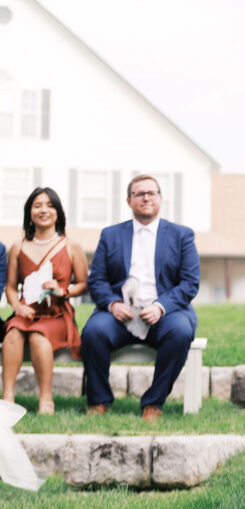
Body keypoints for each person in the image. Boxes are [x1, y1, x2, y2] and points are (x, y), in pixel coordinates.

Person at [81, 174, 200, 421]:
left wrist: (161, 306)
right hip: (120, 314)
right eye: (139, 193)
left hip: (164, 314)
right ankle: (99, 401)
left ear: (160, 198)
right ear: (129, 200)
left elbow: (190, 283)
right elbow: (97, 280)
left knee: (180, 333)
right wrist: (113, 304)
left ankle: (153, 403)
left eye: (151, 193)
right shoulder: (110, 235)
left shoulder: (182, 235)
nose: (146, 197)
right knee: (93, 332)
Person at [1, 188, 88, 414]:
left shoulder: (71, 246)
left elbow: (83, 284)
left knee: (40, 338)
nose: (44, 210)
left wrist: (62, 290)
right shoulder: (18, 247)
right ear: (29, 213)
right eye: (37, 205)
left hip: (56, 315)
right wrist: (17, 307)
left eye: (50, 205)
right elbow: (11, 287)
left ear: (57, 213)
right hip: (25, 313)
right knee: (11, 335)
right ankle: (7, 397)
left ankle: (46, 398)